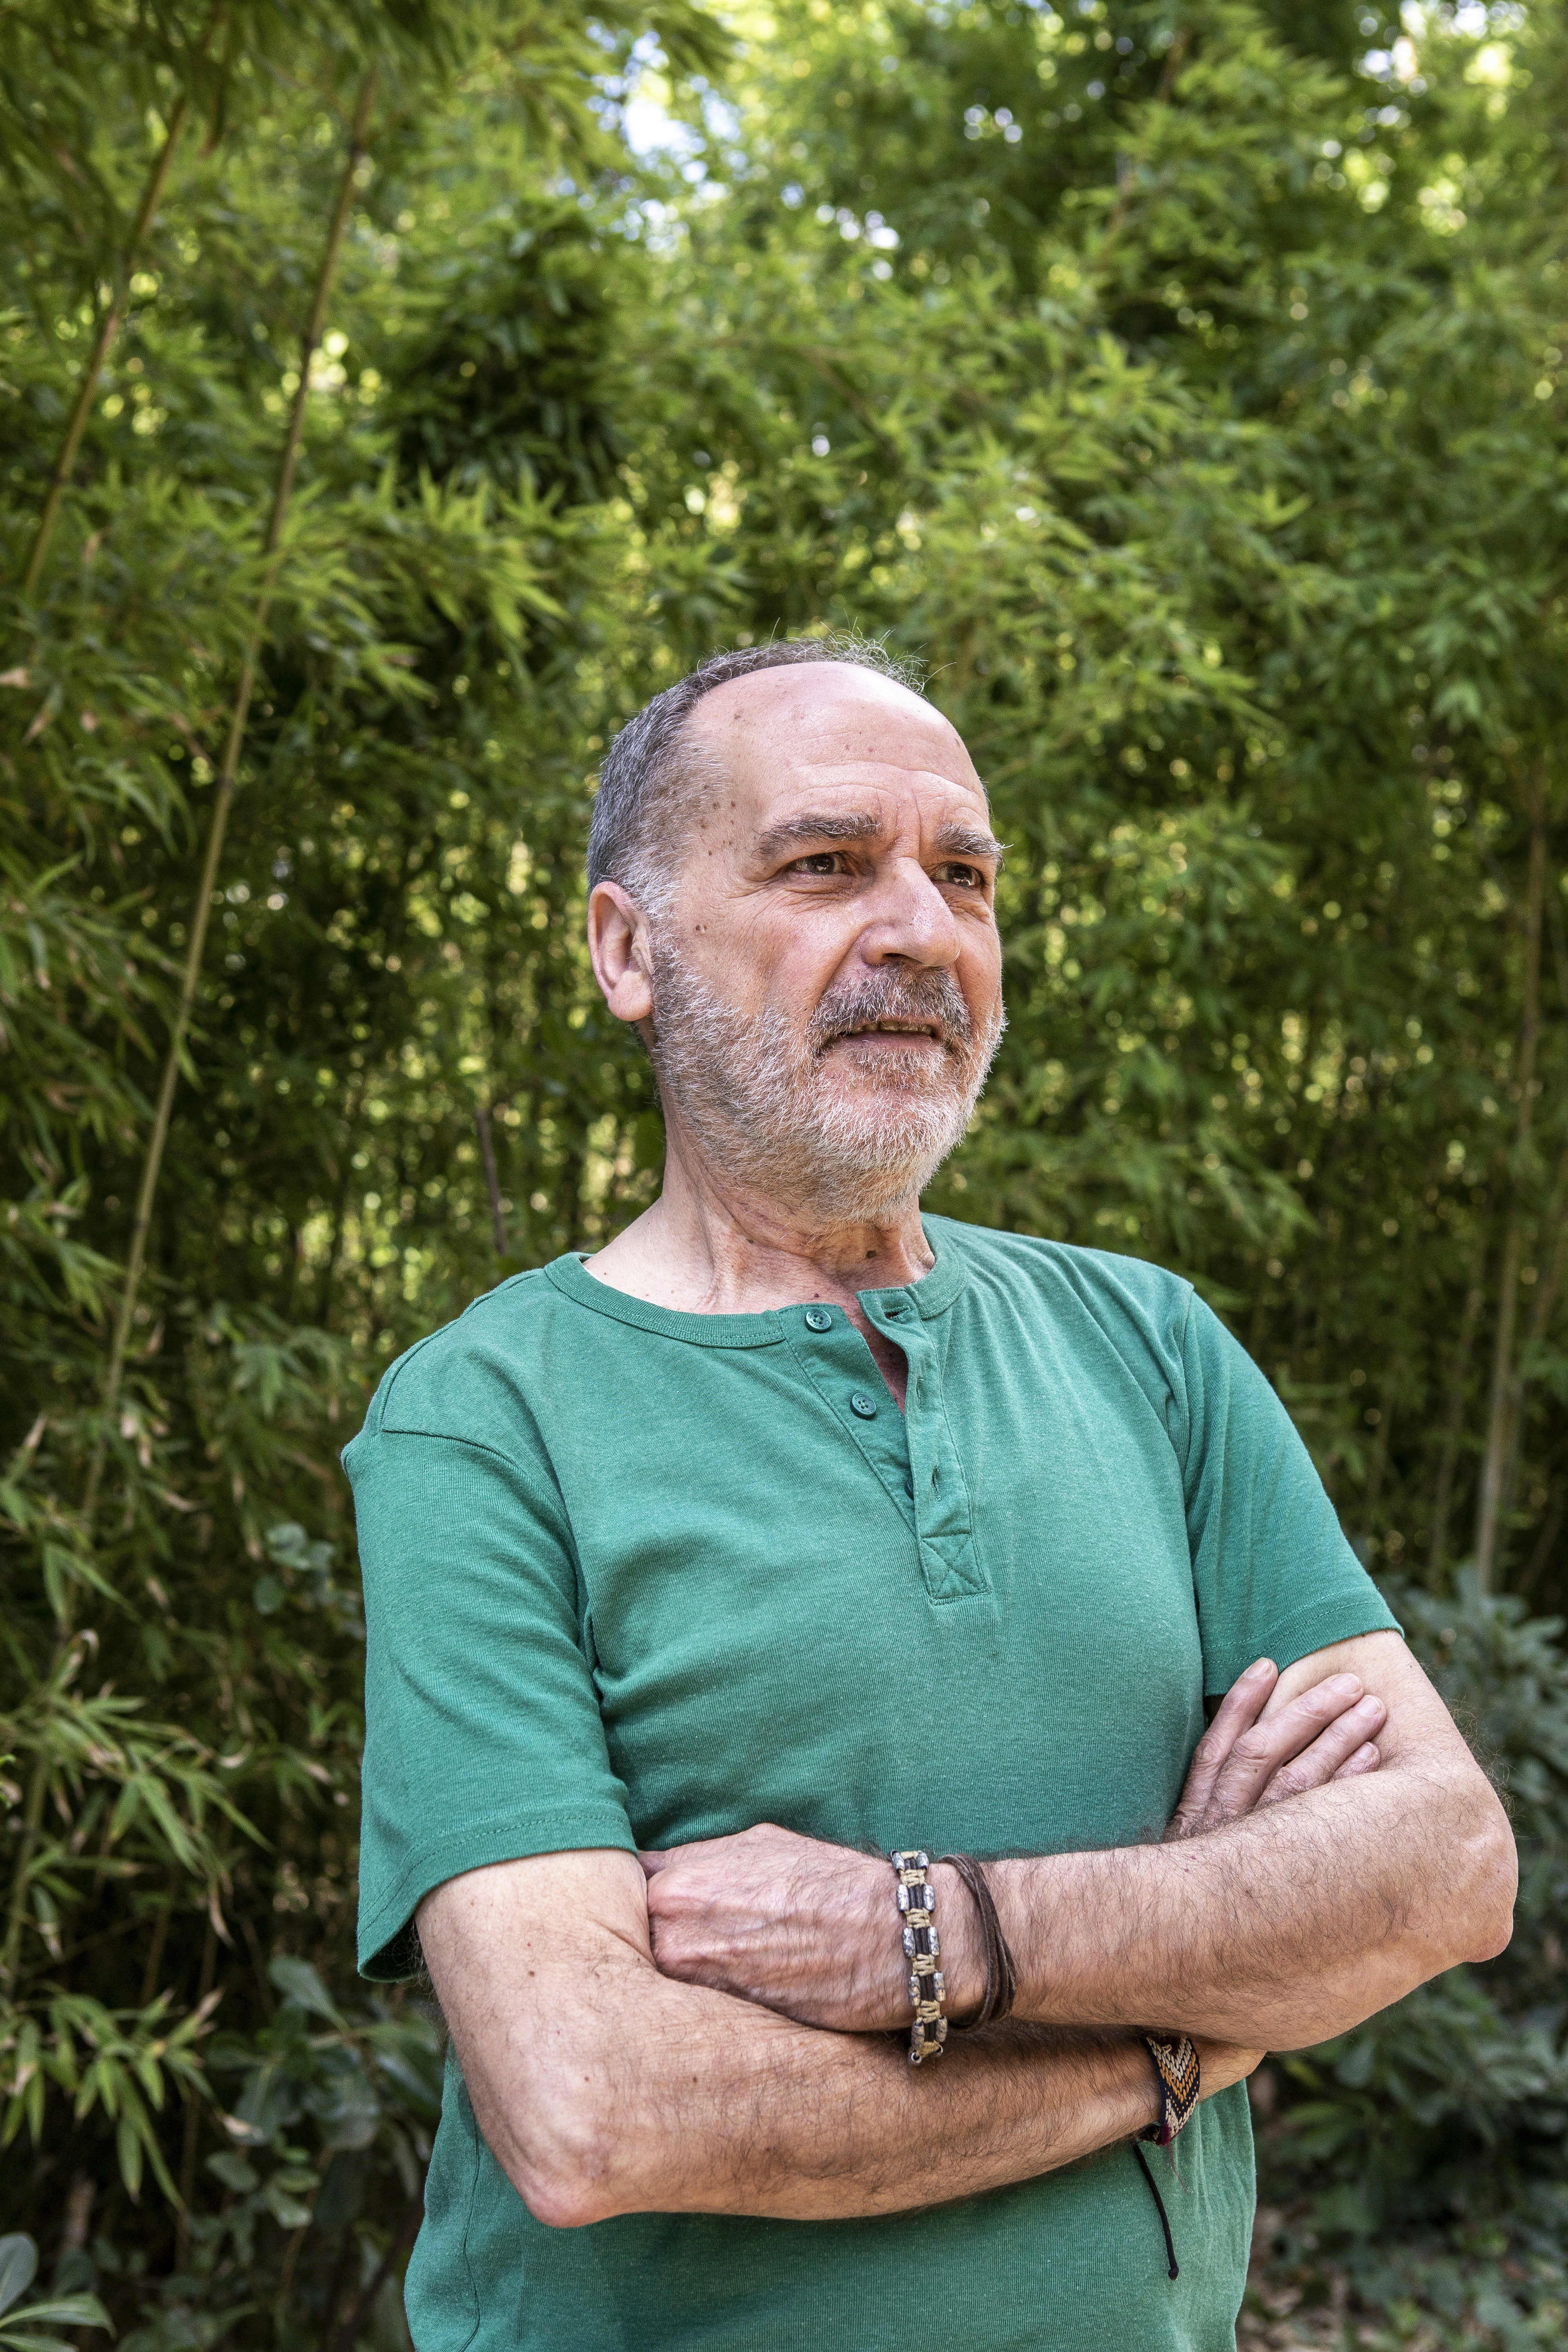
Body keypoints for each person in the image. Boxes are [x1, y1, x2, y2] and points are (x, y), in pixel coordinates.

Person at [344, 635, 1515, 2352]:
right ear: (626, 948)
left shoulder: (1153, 1345)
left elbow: (1444, 1865)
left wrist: (946, 1936)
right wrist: (1180, 2035)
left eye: (962, 876)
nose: (918, 930)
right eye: (825, 866)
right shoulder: (486, 1417)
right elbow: (596, 2110)